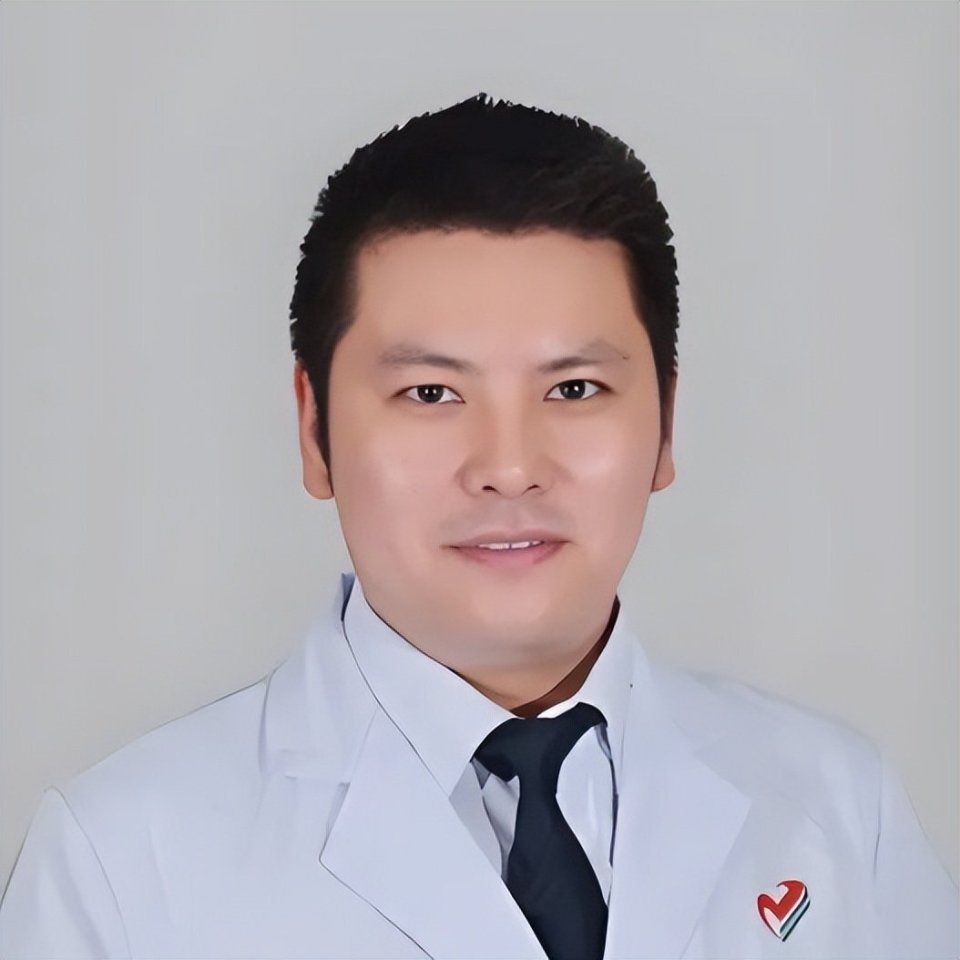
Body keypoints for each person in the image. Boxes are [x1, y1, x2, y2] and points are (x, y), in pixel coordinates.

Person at [0, 93, 956, 960]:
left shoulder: (838, 809)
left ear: (666, 424)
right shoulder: (119, 867)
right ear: (314, 429)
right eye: (431, 392)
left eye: (574, 389)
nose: (508, 465)